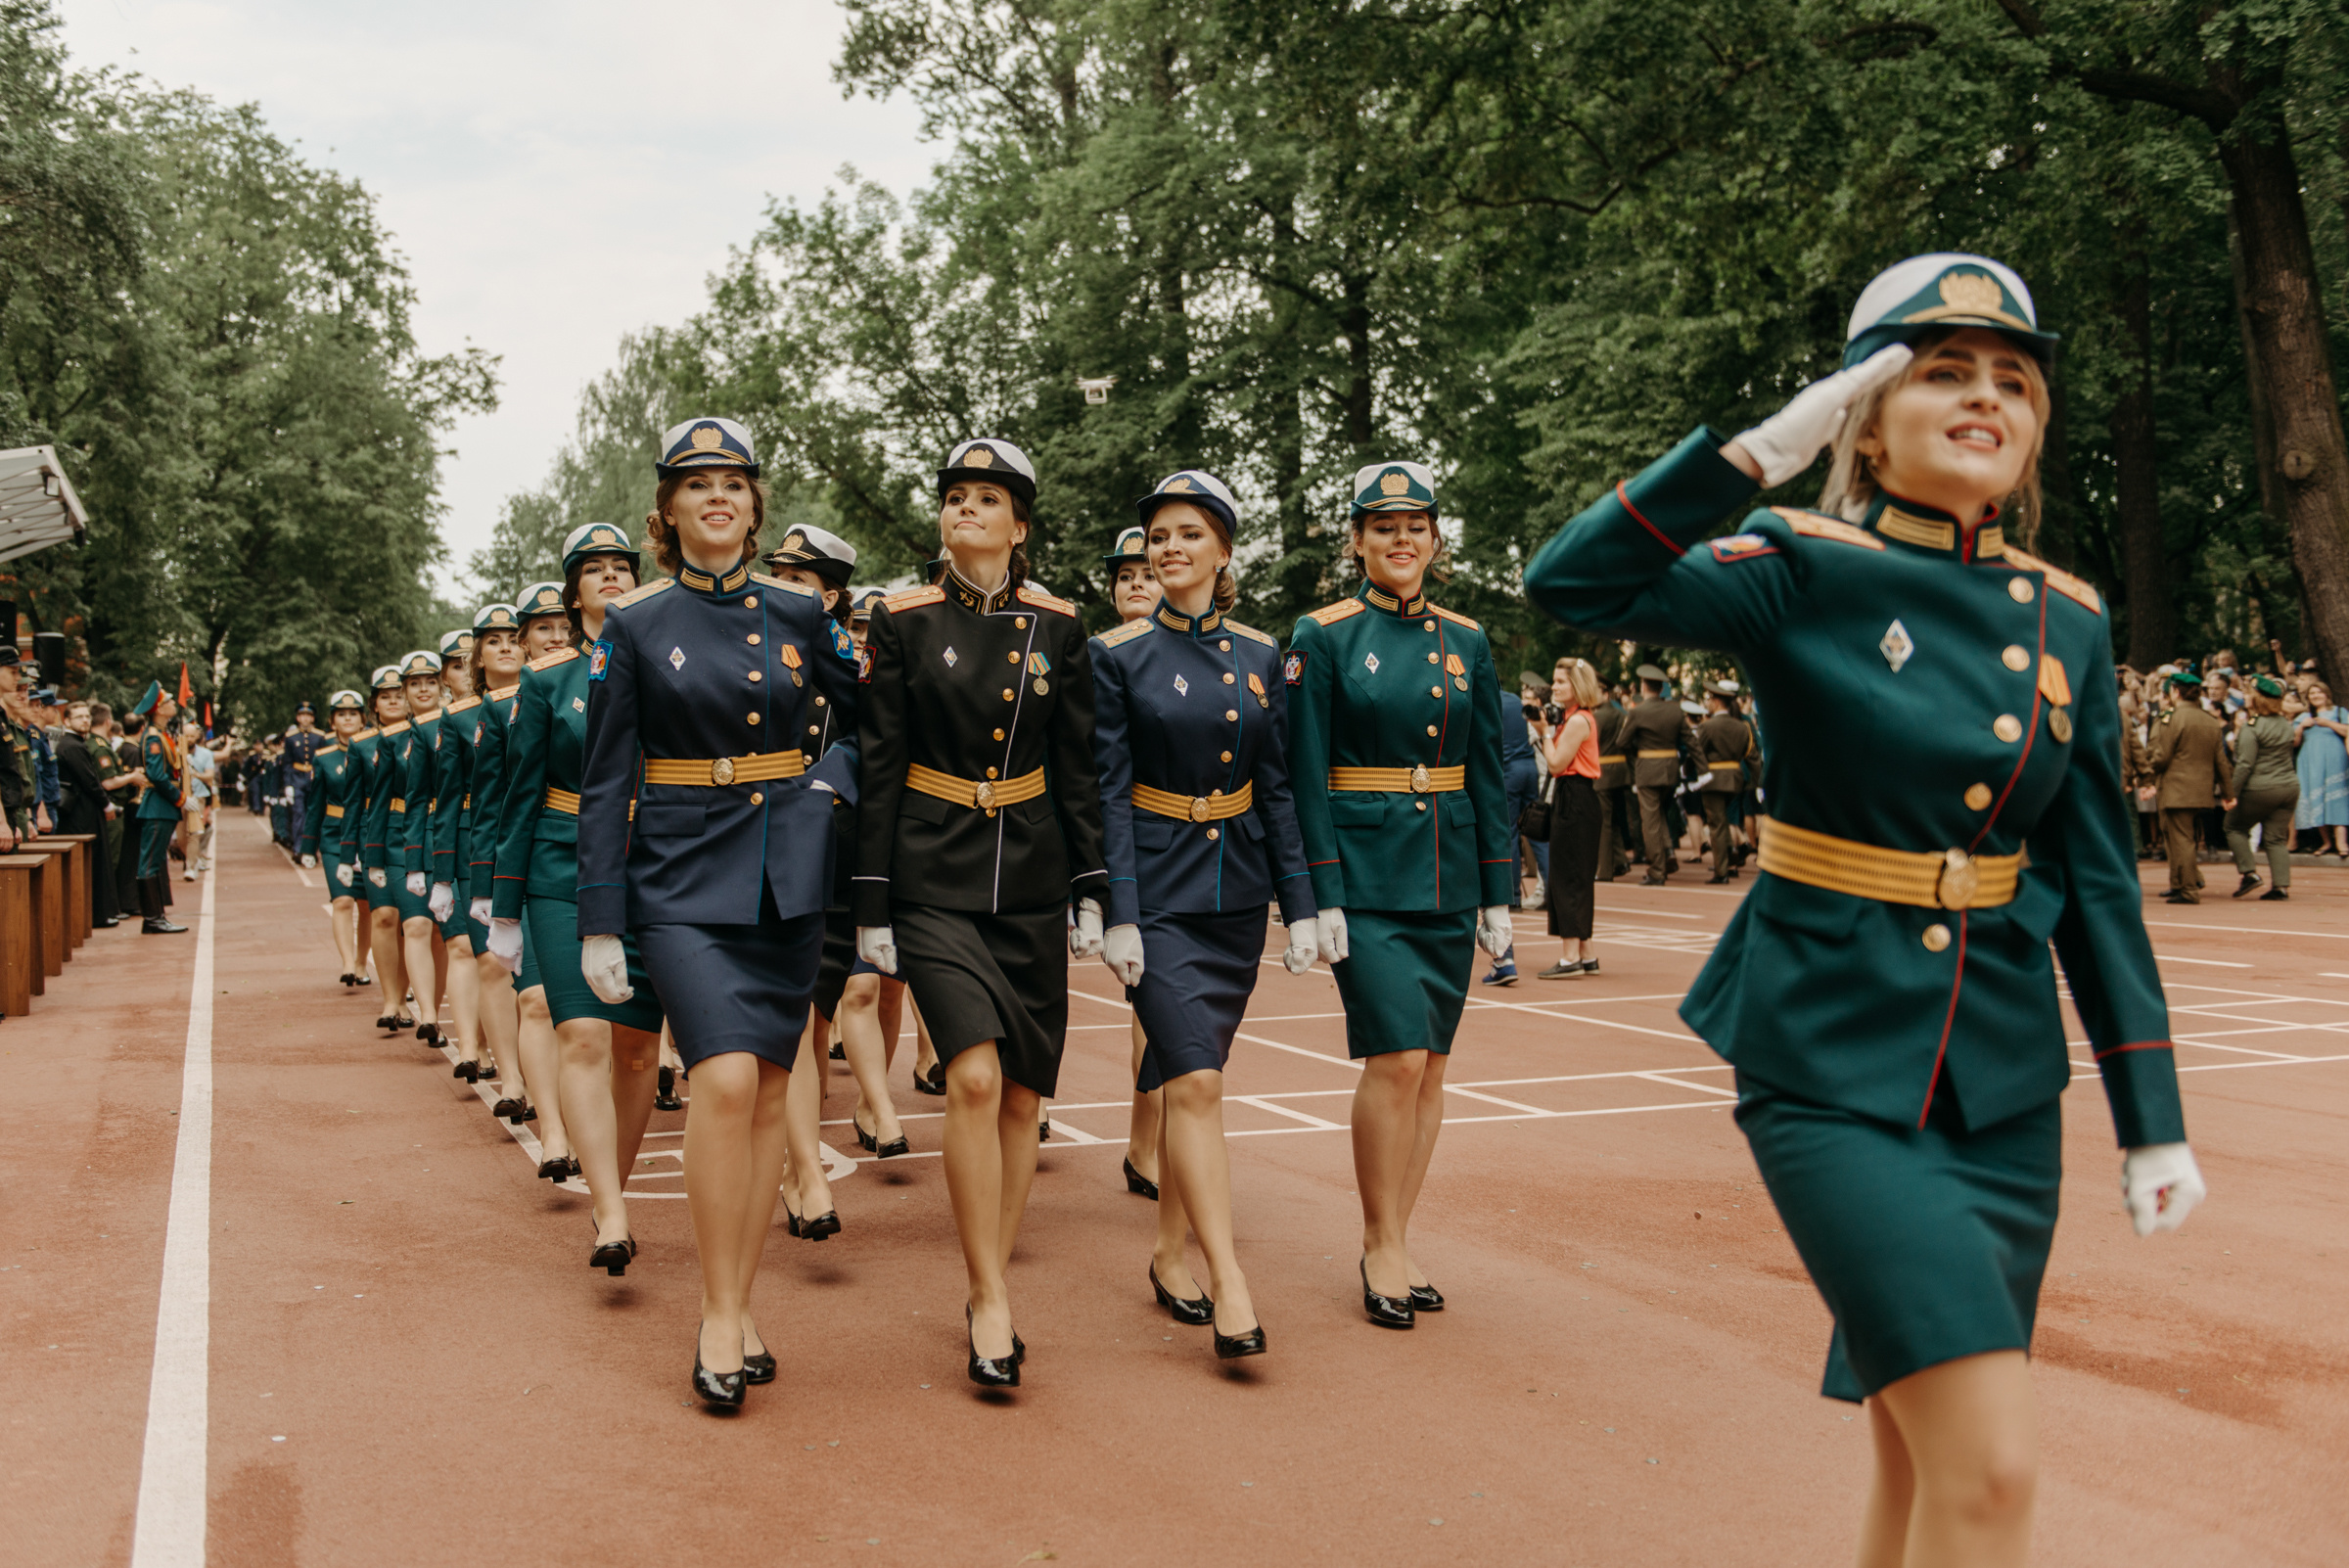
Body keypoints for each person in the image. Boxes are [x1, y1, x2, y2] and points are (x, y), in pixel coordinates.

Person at [1524, 253, 2205, 1567]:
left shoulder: (2066, 616)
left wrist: (2152, 1119)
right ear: (1867, 418)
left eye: (2013, 379)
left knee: (1916, 1446)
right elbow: (1577, 585)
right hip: (1832, 1051)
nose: (1984, 396)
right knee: (1994, 1470)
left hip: (2001, 1084)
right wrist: (1753, 456)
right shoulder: (1802, 559)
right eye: (1939, 371)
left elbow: (2101, 886)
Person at [576, 422, 855, 1407]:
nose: (717, 497)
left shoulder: (798, 610)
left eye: (732, 482)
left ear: (754, 502)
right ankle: (713, 1308)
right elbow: (606, 779)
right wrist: (600, 918)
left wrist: (829, 789)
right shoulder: (637, 625)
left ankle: (739, 1305)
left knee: (774, 1091)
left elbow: (866, 720)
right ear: (669, 512)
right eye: (697, 485)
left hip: (788, 878)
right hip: (681, 880)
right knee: (726, 1081)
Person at [854, 436, 1108, 1388]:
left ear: (1021, 525)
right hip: (931, 873)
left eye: (987, 499)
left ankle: (988, 1277)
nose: (967, 510)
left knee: (1025, 1097)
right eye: (955, 497)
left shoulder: (1061, 626)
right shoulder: (903, 620)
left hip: (1033, 879)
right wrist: (871, 900)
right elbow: (880, 760)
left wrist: (1094, 890)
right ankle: (990, 1294)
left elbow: (1078, 768)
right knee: (969, 1077)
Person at [1090, 470, 1317, 1360]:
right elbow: (1107, 791)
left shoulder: (1261, 657)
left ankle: (1169, 1252)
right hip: (1160, 896)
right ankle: (1230, 1280)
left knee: (1197, 1083)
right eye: (1159, 536)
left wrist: (1300, 906)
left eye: (1190, 533)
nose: (1170, 548)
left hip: (1236, 899)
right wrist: (1118, 909)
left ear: (1224, 551)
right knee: (1195, 1084)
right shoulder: (1118, 657)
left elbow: (1278, 790)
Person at [1285, 459, 1513, 1328]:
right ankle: (1378, 1240)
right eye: (1383, 527)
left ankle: (1400, 1236)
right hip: (1367, 875)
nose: (1401, 539)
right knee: (1398, 1058)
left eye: (1415, 525)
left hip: (1450, 872)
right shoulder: (1325, 634)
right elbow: (1306, 774)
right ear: (1358, 541)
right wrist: (1320, 892)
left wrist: (1498, 888)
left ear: (1434, 538)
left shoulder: (1469, 638)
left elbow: (1488, 769)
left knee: (1435, 1069)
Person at [493, 525, 668, 1264]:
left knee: (636, 1052)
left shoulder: (671, 661)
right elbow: (520, 795)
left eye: (620, 567)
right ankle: (611, 1212)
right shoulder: (547, 680)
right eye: (593, 570)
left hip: (656, 866)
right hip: (562, 871)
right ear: (574, 590)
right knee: (585, 1034)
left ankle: (613, 1188)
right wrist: (503, 906)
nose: (609, 578)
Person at [761, 522, 896, 1234]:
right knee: (794, 1017)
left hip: (831, 844)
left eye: (798, 578)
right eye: (776, 572)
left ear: (831, 594)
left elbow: (876, 727)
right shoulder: (750, 639)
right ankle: (803, 1170)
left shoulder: (846, 655)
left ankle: (797, 1158)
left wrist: (826, 783)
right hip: (758, 845)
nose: (780, 585)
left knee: (821, 1014)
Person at [481, 585, 574, 1164]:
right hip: (543, 863)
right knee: (537, 1000)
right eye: (543, 628)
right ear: (524, 640)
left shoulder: (606, 677)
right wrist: (493, 894)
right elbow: (498, 805)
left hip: (617, 860)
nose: (556, 636)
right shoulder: (498, 710)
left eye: (563, 625)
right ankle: (556, 1133)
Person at [1101, 523, 1170, 1192]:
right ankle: (1144, 1140)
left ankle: (1147, 1140)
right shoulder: (1102, 656)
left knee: (1158, 1012)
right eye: (1124, 577)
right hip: (1126, 846)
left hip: (1182, 847)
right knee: (1147, 1007)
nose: (1135, 585)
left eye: (1144, 573)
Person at [429, 627, 485, 1076]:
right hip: (467, 838)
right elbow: (443, 801)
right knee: (466, 947)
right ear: (446, 675)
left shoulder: (528, 699)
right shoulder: (450, 721)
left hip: (518, 834)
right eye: (455, 663)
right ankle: (470, 1046)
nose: (465, 669)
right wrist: (439, 874)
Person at [390, 651, 451, 1047]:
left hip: (447, 834)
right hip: (405, 836)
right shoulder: (387, 739)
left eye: (430, 681)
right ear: (405, 692)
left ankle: (435, 1003)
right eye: (414, 684)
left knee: (444, 936)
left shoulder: (458, 723)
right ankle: (427, 1013)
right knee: (416, 924)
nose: (423, 689)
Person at [1536, 657, 1603, 978]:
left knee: (1568, 877)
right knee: (1577, 875)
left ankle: (1570, 957)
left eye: (1561, 681)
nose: (1555, 687)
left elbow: (1556, 764)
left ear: (1578, 685)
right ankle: (1586, 953)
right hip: (1577, 798)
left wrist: (1544, 734)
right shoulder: (1576, 717)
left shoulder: (1577, 721)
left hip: (1574, 798)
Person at [354, 666, 412, 1029]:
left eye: (397, 693)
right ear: (374, 703)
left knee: (412, 922)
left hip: (418, 831)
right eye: (384, 695)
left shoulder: (423, 735)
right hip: (378, 833)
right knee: (385, 916)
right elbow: (358, 801)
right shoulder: (361, 745)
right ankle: (390, 999)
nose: (392, 700)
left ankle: (406, 995)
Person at [300, 691, 369, 985]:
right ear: (332, 721)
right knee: (342, 900)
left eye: (353, 713)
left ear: (363, 718)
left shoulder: (375, 749)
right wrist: (307, 845)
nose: (348, 719)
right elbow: (314, 804)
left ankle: (363, 962)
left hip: (368, 832)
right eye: (341, 714)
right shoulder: (324, 758)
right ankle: (347, 964)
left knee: (368, 905)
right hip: (334, 835)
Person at [2148, 669, 2227, 905]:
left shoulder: (2172, 718)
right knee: (2177, 837)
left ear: (2175, 691)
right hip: (2199, 789)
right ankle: (2179, 883)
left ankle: (2188, 889)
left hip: (2176, 788)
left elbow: (2161, 757)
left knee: (2180, 839)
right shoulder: (2209, 719)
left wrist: (2145, 771)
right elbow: (2221, 761)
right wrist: (2228, 792)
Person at [2224, 674, 2299, 900]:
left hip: (2261, 787)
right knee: (2275, 838)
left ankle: (2249, 873)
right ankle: (2281, 886)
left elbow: (2245, 764)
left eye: (2250, 694)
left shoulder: (2252, 727)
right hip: (2289, 786)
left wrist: (2231, 793)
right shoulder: (2286, 724)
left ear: (2258, 699)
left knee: (2233, 827)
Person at [1618, 664, 1690, 884]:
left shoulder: (1638, 711)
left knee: (1649, 821)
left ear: (1643, 686)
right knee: (1659, 815)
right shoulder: (1676, 710)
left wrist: (1638, 751)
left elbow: (1622, 742)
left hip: (1648, 770)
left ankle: (1657, 870)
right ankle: (1668, 852)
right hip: (1670, 771)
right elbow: (1689, 741)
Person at [54, 701, 123, 927]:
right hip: (80, 813)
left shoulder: (76, 743)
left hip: (84, 810)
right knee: (90, 863)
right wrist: (106, 804)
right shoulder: (72, 745)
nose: (85, 720)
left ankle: (97, 913)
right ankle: (94, 915)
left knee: (94, 862)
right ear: (67, 721)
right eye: (78, 717)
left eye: (87, 716)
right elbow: (90, 780)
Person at [127, 683, 189, 933]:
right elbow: (156, 774)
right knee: (150, 862)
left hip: (162, 806)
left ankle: (157, 916)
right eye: (170, 702)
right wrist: (180, 797)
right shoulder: (153, 737)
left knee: (154, 861)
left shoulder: (160, 734)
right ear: (160, 709)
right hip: (158, 805)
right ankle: (152, 919)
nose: (174, 704)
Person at [1693, 681, 1752, 882]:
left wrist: (1691, 773)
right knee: (1725, 821)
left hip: (1714, 779)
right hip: (1735, 778)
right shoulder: (1741, 727)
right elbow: (1748, 752)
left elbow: (1697, 752)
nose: (1708, 703)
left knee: (1717, 824)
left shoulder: (1707, 726)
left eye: (1710, 699)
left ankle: (1721, 871)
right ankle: (1731, 854)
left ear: (1717, 702)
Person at [2293, 679, 2349, 855]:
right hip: (2311, 762)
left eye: (2319, 692)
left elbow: (2347, 731)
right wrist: (2301, 727)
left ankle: (2342, 843)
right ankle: (2326, 842)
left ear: (2326, 694)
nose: (2316, 696)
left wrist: (2329, 724)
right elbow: (2294, 742)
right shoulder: (2303, 717)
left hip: (2335, 760)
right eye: (2312, 694)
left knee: (2337, 799)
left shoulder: (2339, 712)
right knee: (2315, 798)